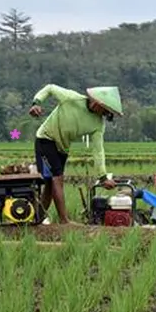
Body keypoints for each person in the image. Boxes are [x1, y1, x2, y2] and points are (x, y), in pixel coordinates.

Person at [27, 84, 122, 224]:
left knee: (49, 184)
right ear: (96, 102)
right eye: (105, 109)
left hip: (62, 148)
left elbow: (98, 150)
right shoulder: (72, 98)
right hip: (46, 139)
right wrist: (37, 103)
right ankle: (64, 220)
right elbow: (50, 88)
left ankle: (37, 219)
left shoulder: (98, 124)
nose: (104, 113)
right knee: (56, 178)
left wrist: (103, 177)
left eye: (107, 112)